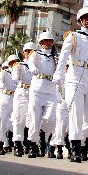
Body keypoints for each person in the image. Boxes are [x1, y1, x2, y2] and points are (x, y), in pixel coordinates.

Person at [54, 7, 88, 163]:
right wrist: (59, 73)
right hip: (74, 76)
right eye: (84, 18)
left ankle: (78, 137)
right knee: (76, 113)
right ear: (80, 21)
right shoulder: (73, 36)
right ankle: (75, 147)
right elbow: (63, 56)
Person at [26, 31, 59, 159]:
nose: (48, 43)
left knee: (49, 119)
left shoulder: (55, 56)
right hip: (37, 90)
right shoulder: (36, 54)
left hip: (50, 90)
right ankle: (33, 145)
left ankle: (41, 136)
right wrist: (32, 68)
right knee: (34, 118)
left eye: (50, 41)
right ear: (40, 43)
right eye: (46, 41)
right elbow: (30, 62)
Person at [12, 42, 38, 157]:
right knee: (19, 119)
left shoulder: (38, 65)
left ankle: (29, 144)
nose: (29, 54)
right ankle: (17, 144)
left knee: (31, 118)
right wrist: (18, 81)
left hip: (33, 92)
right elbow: (15, 78)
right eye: (27, 51)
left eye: (32, 51)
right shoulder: (19, 65)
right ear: (24, 53)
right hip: (22, 92)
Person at [0, 56, 19, 154]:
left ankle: (12, 144)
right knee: (2, 121)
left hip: (15, 98)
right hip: (4, 97)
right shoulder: (4, 72)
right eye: (13, 62)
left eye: (16, 61)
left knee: (15, 121)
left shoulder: (19, 73)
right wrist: (1, 85)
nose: (15, 63)